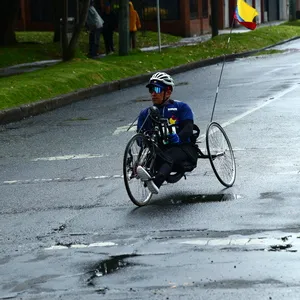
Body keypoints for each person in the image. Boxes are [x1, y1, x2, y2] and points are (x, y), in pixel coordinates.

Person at [136, 72, 199, 194]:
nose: (153, 93)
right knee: (156, 156)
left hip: (183, 148)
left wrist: (178, 138)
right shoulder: (145, 113)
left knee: (169, 155)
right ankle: (145, 172)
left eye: (157, 89)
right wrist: (146, 141)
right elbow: (139, 137)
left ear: (168, 91)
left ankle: (156, 182)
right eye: (151, 90)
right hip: (159, 149)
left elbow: (188, 128)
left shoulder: (181, 107)